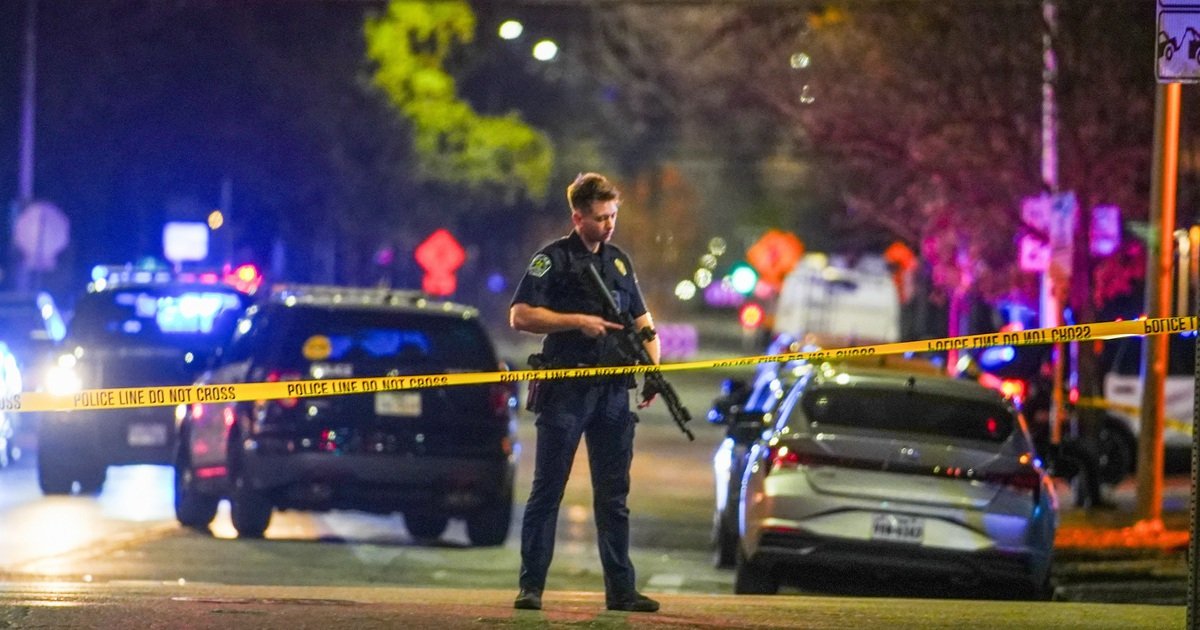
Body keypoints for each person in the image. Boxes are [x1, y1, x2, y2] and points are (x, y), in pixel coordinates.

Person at [508, 172, 660, 613]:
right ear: (578, 217)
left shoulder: (619, 262)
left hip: (612, 392)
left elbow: (643, 321)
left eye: (613, 216)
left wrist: (653, 368)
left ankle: (621, 590)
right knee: (547, 491)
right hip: (567, 389)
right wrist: (576, 321)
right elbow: (520, 315)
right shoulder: (552, 259)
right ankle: (531, 587)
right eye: (600, 217)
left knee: (614, 498)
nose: (609, 225)